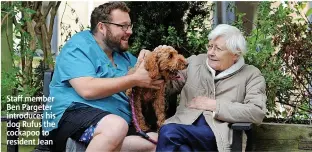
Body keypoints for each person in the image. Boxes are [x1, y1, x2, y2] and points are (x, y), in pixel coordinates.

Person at [42, 2, 161, 152]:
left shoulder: (125, 58)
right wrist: (135, 78)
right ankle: (84, 143)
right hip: (71, 120)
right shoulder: (79, 46)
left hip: (116, 127)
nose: (129, 31)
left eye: (130, 26)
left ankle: (91, 146)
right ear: (102, 27)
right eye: (123, 26)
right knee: (115, 126)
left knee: (156, 142)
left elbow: (147, 91)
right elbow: (87, 90)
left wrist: (152, 61)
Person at [156, 24, 267, 152]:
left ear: (235, 54)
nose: (210, 53)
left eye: (218, 49)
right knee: (181, 146)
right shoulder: (194, 63)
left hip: (218, 133)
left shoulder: (251, 74)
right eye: (210, 46)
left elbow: (256, 112)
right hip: (183, 124)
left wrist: (214, 105)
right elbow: (168, 87)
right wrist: (158, 65)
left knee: (169, 132)